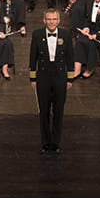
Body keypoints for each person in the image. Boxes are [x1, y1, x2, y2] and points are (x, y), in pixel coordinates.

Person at [29, 8, 74, 154]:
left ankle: (55, 143)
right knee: (44, 112)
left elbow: (70, 57)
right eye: (49, 19)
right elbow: (32, 57)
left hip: (60, 77)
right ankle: (45, 142)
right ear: (44, 20)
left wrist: (70, 78)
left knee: (59, 111)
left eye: (54, 19)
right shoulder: (37, 34)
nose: (51, 22)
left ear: (59, 21)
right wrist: (33, 77)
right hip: (43, 77)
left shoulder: (66, 35)